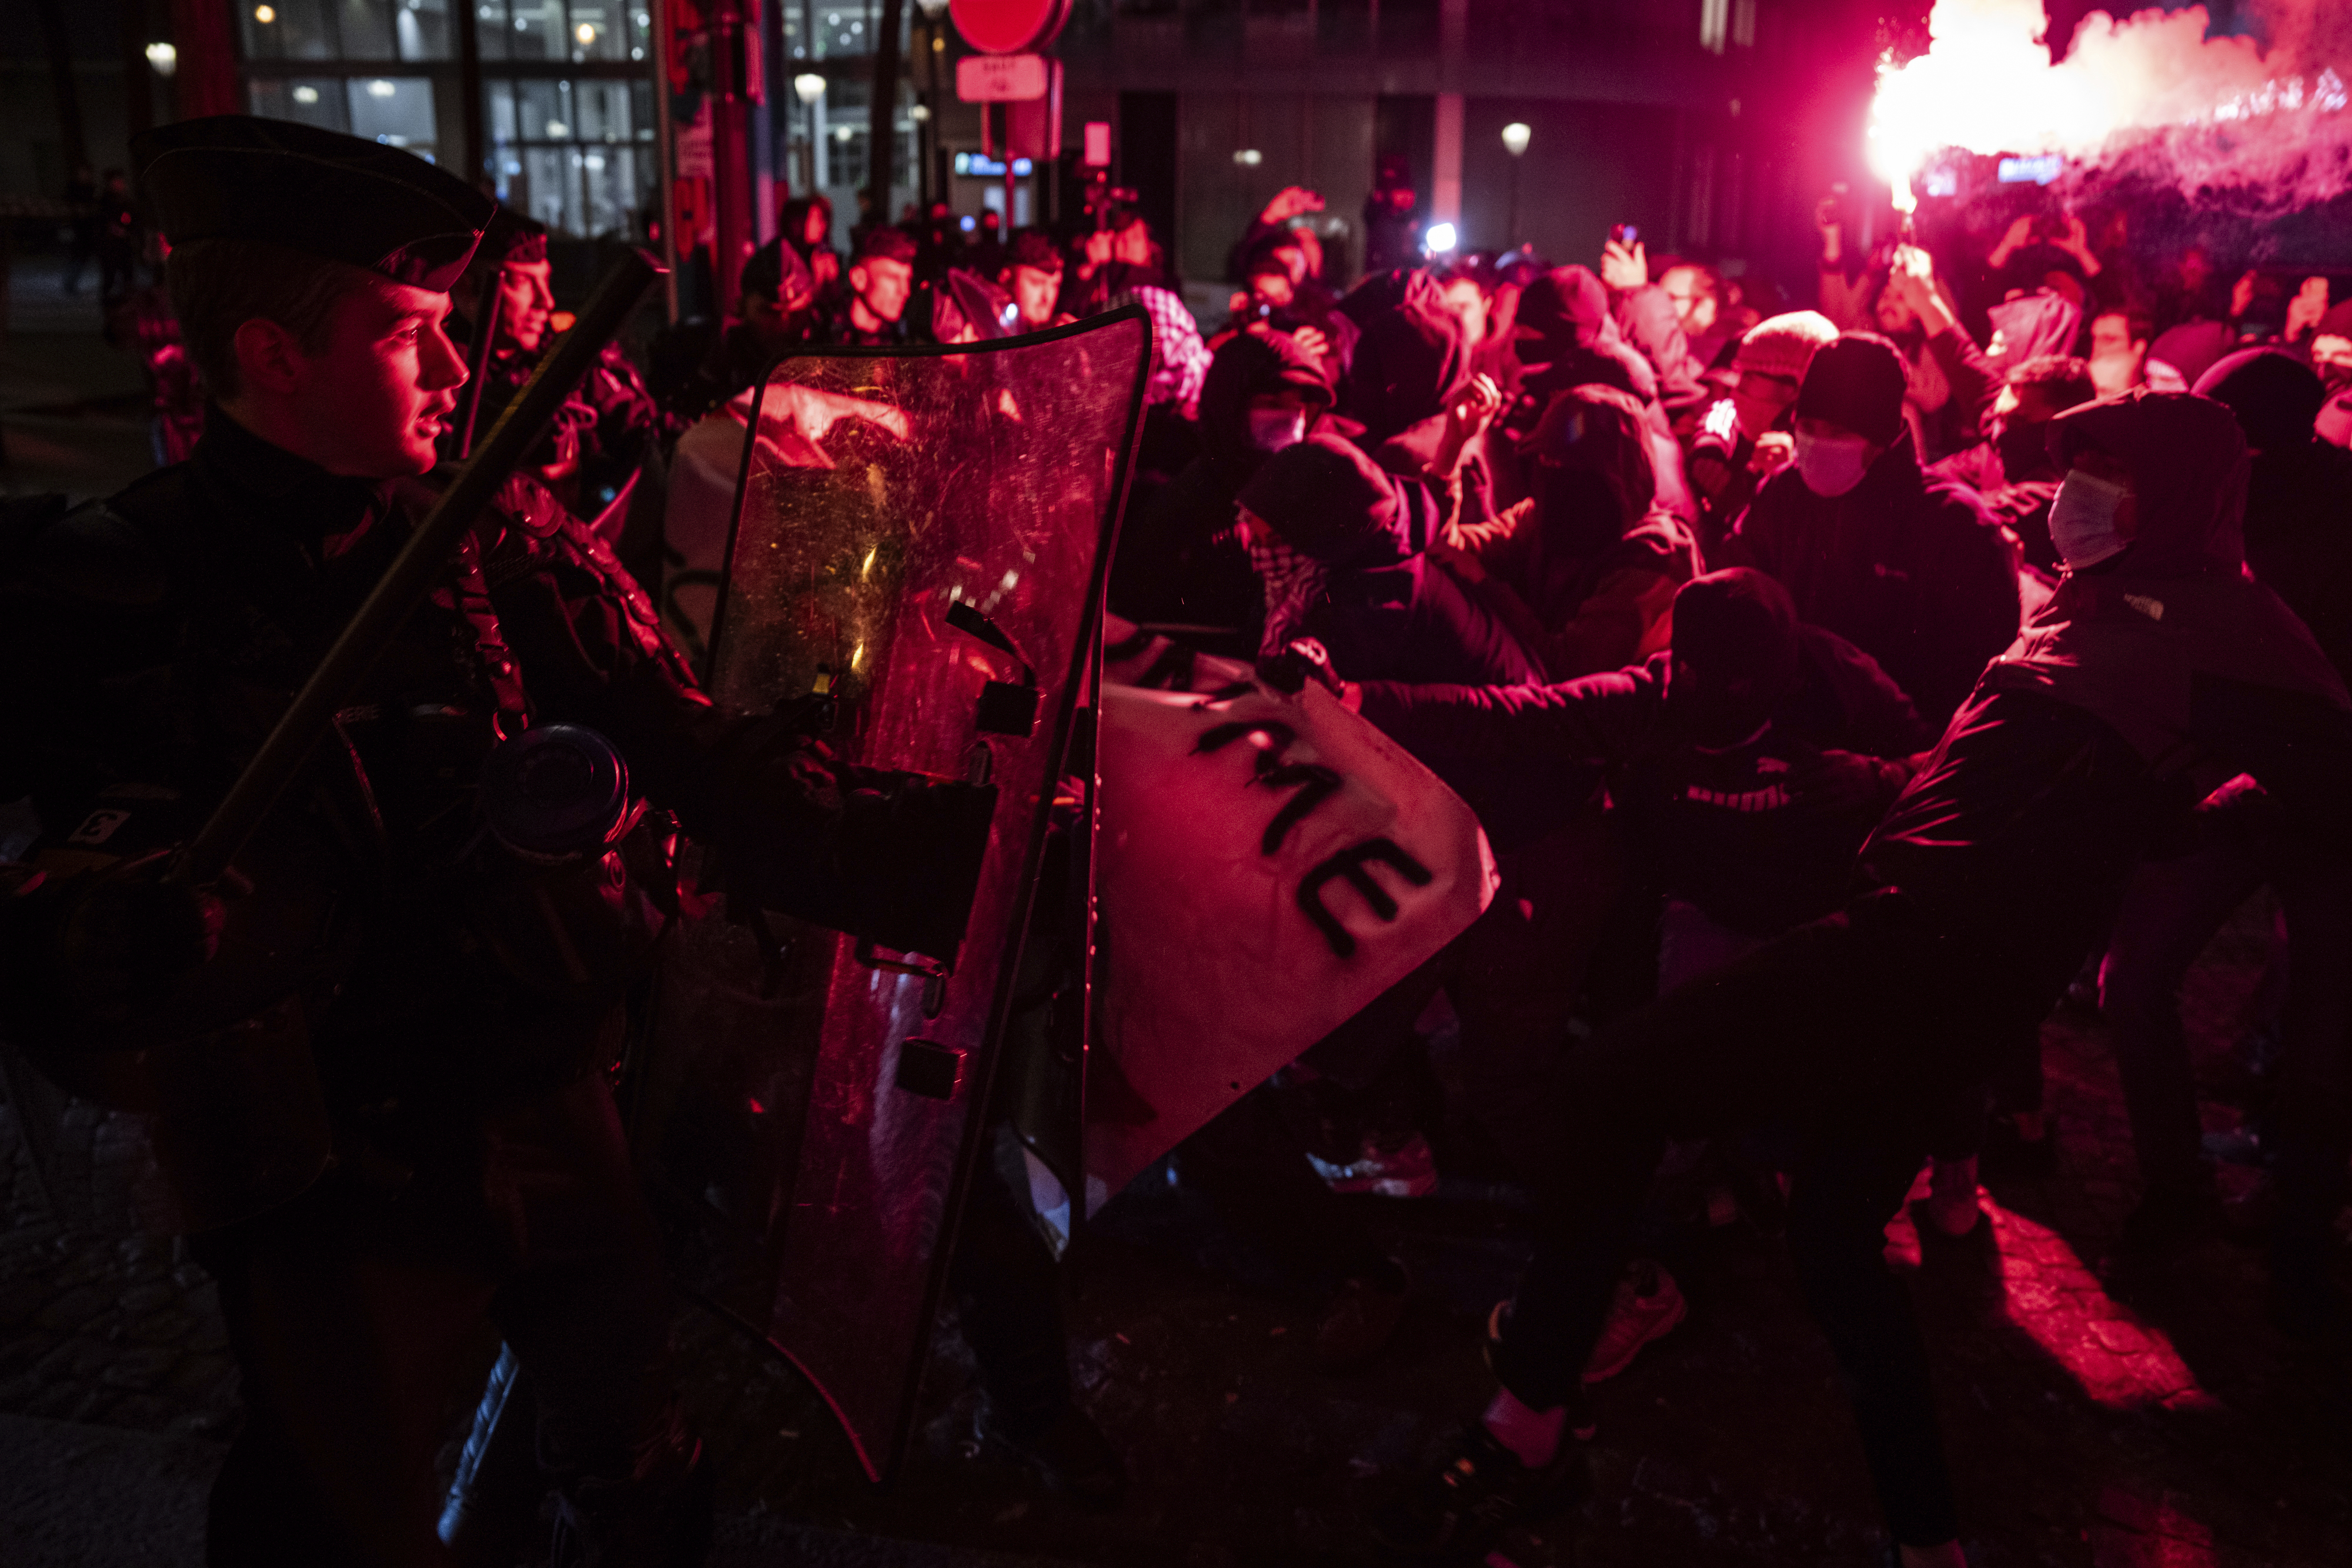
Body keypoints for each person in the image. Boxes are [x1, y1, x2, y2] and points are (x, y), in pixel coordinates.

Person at [0, 115, 988, 1565]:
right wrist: (96, 930)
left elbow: (695, 750)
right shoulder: (119, 583)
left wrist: (936, 854)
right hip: (325, 1169)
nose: (460, 370)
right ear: (274, 354)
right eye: (409, 333)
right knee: (341, 1520)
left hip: (552, 1104)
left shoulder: (490, 542)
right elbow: (40, 885)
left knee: (638, 1456)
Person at [1373, 387, 2352, 1564]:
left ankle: (1525, 1424)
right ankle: (1925, 1533)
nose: (2080, 497)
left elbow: (2327, 762)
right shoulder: (2100, 598)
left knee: (1608, 1090)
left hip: (1927, 944)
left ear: (2183, 496)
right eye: (2076, 468)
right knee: (1833, 1244)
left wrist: (2191, 822)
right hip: (1934, 953)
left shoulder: (2225, 624)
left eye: (2110, 474)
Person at [1727, 332, 2020, 730]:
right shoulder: (1782, 494)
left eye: (1838, 432)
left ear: (1883, 437)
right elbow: (1738, 598)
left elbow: (1974, 675)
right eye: (1808, 426)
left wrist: (1897, 763)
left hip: (1903, 744)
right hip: (1782, 729)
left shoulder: (1954, 523)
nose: (1817, 442)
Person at [1438, 383, 1699, 686]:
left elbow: (1568, 670)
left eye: (1572, 470)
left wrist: (1486, 586)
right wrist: (1452, 446)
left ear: (1615, 481)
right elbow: (1450, 550)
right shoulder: (1545, 517)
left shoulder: (1652, 561)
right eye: (1546, 462)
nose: (1553, 478)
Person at [1108, 326, 1334, 651]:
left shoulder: (1303, 489)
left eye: (1300, 407)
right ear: (1229, 407)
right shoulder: (1189, 506)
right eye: (1271, 402)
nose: (1291, 420)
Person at [1684, 309, 1840, 553]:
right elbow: (1725, 410)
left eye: (1750, 379)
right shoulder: (1743, 422)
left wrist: (1784, 484)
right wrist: (1710, 444)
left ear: (1797, 389)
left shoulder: (1829, 465)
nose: (1736, 392)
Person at [1931, 353, 2096, 580]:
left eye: (2018, 421)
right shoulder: (1992, 457)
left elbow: (1968, 519)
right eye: (2001, 418)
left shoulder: (2063, 489)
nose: (2002, 432)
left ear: (2065, 428)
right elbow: (1922, 485)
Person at [820, 225, 916, 346]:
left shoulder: (904, 341)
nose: (905, 291)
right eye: (893, 278)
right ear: (859, 279)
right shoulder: (821, 336)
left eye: (908, 279)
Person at [998, 229, 1072, 332]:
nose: (1047, 297)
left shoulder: (1059, 329)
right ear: (1007, 279)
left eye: (1055, 285)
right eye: (1037, 282)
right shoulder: (983, 332)